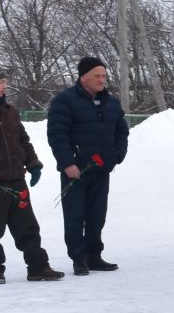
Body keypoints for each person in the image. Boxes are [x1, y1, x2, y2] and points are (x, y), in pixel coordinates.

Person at [0, 62, 62, 283]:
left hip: (17, 179)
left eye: (5, 81)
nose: (5, 86)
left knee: (28, 227)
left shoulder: (9, 111)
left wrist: (33, 164)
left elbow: (22, 140)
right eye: (0, 82)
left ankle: (38, 267)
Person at [45, 55, 128, 275]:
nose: (102, 80)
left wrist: (117, 155)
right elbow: (57, 134)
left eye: (103, 76)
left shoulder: (111, 102)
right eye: (97, 76)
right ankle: (78, 258)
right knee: (74, 216)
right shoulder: (65, 100)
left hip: (101, 169)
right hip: (76, 170)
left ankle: (94, 255)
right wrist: (67, 162)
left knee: (97, 215)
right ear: (83, 78)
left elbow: (121, 129)